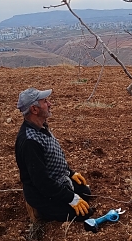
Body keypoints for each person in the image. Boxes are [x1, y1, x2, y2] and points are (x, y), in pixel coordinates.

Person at [14, 87, 94, 221]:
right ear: (34, 109)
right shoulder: (29, 141)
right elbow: (42, 182)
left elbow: (50, 158)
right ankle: (40, 211)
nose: (49, 104)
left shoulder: (41, 126)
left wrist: (70, 172)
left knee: (85, 193)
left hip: (57, 180)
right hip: (42, 193)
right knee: (85, 213)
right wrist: (71, 198)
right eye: (45, 101)